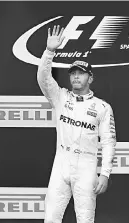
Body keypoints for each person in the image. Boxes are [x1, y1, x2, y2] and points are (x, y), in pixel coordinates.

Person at [37, 25, 116, 223]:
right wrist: (49, 52)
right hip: (61, 161)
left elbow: (108, 142)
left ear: (90, 78)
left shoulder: (102, 107)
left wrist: (105, 173)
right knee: (51, 218)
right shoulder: (60, 97)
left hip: (87, 166)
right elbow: (43, 79)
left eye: (81, 73)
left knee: (85, 219)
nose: (76, 77)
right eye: (73, 73)